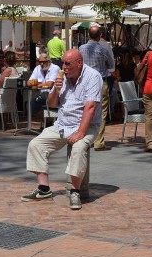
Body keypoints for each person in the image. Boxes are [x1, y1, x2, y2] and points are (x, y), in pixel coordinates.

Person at [21, 49, 102, 210]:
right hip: (62, 124)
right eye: (62, 63)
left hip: (85, 125)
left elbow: (91, 107)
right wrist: (56, 90)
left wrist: (80, 132)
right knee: (36, 144)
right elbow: (52, 104)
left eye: (67, 63)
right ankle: (43, 189)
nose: (63, 67)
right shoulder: (62, 77)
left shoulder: (92, 77)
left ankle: (75, 191)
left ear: (79, 63)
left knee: (78, 148)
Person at [79, 25, 115, 151]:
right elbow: (111, 65)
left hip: (85, 82)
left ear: (88, 35)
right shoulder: (103, 49)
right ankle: (99, 142)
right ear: (100, 36)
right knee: (101, 112)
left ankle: (84, 137)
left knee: (85, 109)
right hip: (100, 81)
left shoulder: (81, 48)